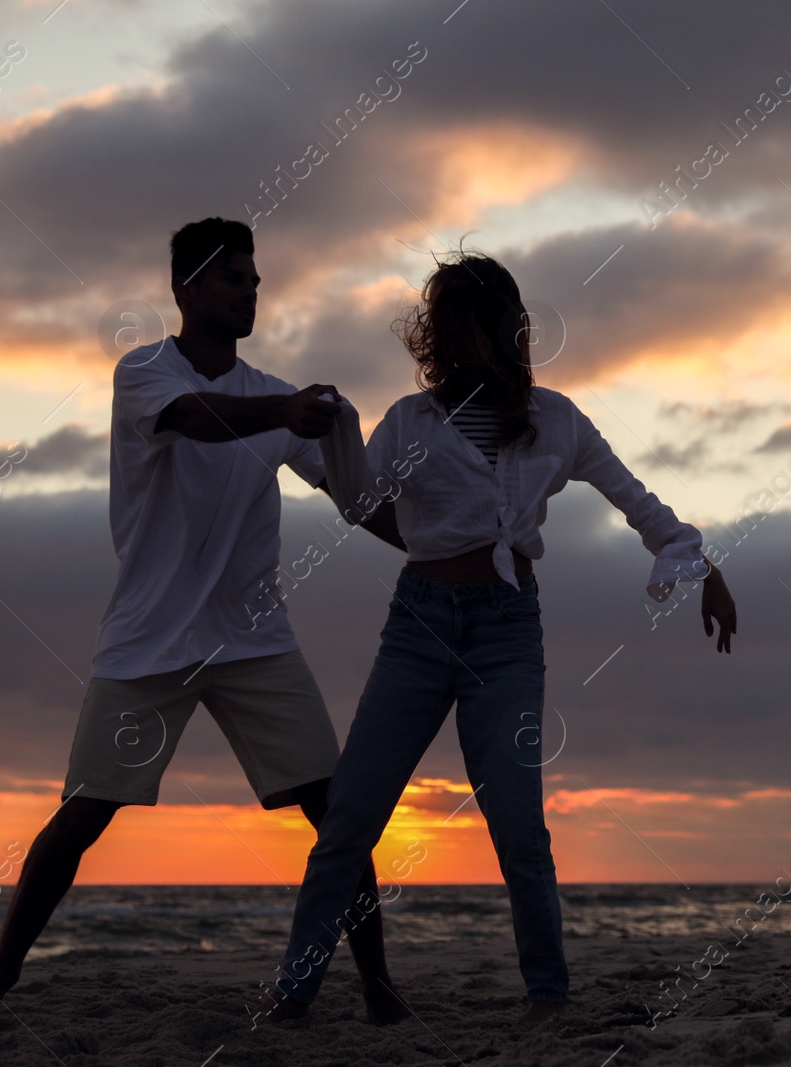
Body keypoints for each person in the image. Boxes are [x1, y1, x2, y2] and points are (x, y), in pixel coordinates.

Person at [258, 251, 737, 1027]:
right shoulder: (410, 421)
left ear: (505, 329)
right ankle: (294, 993)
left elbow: (633, 497)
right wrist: (338, 428)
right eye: (446, 327)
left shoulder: (558, 419)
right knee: (350, 817)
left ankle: (547, 995)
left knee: (519, 823)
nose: (458, 342)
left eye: (472, 324)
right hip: (417, 626)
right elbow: (361, 498)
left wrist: (699, 563)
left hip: (507, 633)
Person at [0, 218, 410, 1025]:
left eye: (255, 281)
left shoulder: (276, 398)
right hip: (148, 638)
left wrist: (444, 545)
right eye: (233, 279)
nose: (249, 292)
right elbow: (197, 418)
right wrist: (286, 407)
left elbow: (355, 499)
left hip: (254, 638)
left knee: (336, 814)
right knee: (85, 812)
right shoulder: (145, 372)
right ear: (186, 290)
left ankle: (378, 986)